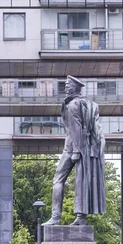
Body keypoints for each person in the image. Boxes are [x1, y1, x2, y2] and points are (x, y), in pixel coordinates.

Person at [43, 75, 106, 226]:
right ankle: (80, 218)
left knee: (58, 179)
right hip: (86, 146)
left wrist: (76, 151)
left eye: (68, 85)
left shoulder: (72, 105)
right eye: (65, 85)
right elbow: (96, 129)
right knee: (82, 180)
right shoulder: (87, 104)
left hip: (73, 146)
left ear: (75, 87)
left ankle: (56, 217)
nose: (65, 87)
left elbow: (75, 128)